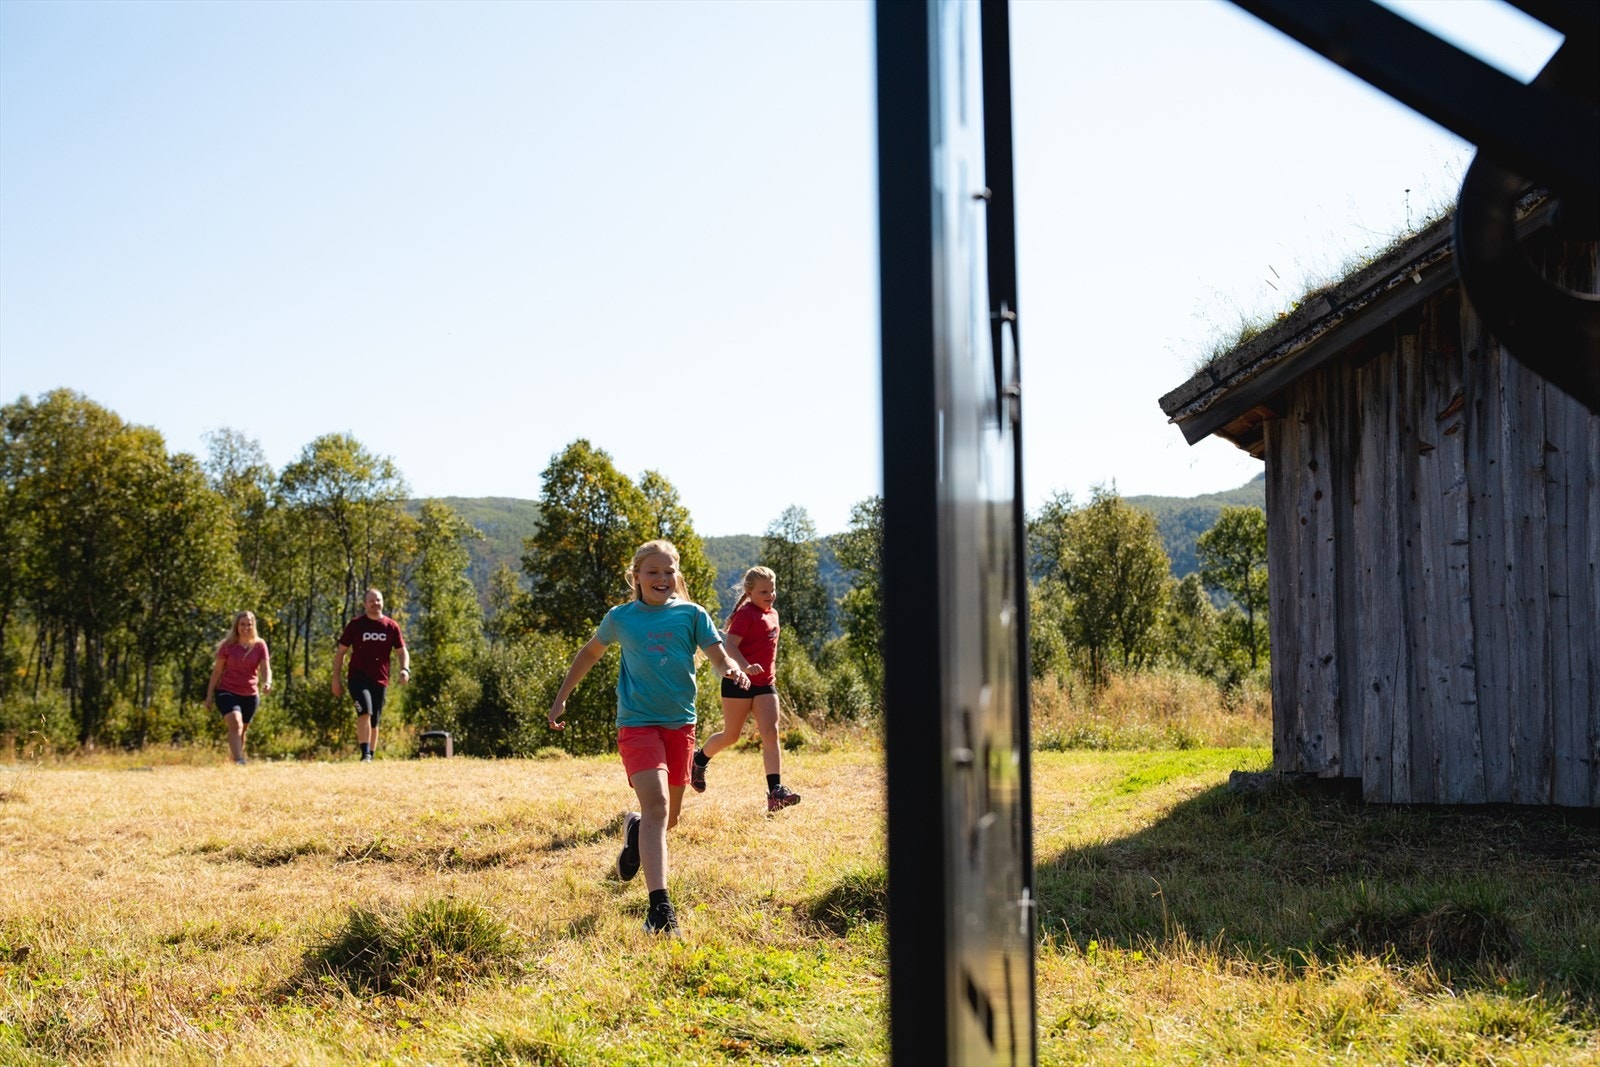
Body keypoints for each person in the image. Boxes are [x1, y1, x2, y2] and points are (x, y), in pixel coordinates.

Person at [547, 539, 750, 935]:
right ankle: (660, 910)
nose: (662, 578)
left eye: (668, 571)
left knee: (668, 820)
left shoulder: (692, 614)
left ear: (677, 574)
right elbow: (590, 653)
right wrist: (561, 698)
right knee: (657, 806)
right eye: (652, 571)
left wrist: (730, 668)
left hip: (680, 725)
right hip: (637, 723)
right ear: (636, 576)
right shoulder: (621, 617)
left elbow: (717, 653)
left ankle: (635, 829)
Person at [691, 566, 801, 812]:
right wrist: (745, 667)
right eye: (764, 591)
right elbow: (730, 646)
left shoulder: (774, 614)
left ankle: (776, 792)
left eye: (772, 589)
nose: (770, 595)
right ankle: (699, 760)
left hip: (765, 683)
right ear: (750, 593)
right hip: (739, 681)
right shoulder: (745, 614)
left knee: (770, 733)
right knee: (731, 735)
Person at [332, 588, 409, 762]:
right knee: (365, 711)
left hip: (380, 679)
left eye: (378, 600)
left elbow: (402, 651)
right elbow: (341, 652)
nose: (375, 603)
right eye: (371, 601)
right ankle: (365, 753)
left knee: (375, 719)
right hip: (357, 678)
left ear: (383, 602)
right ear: (365, 604)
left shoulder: (391, 626)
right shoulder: (355, 625)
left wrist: (405, 669)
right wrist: (335, 679)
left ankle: (370, 756)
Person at [205, 610, 272, 766]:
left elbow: (265, 667)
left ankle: (235, 758)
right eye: (242, 624)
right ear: (237, 626)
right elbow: (217, 671)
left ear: (253, 626)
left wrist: (267, 682)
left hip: (250, 694)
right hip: (227, 691)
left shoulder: (260, 645)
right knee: (236, 722)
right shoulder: (228, 645)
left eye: (249, 624)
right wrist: (209, 695)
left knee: (243, 729)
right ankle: (239, 760)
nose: (245, 628)